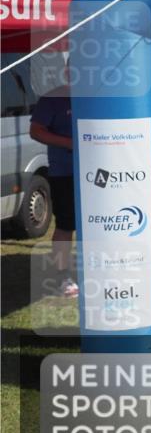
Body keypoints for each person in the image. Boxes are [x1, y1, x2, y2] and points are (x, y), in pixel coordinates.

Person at [30, 83, 77, 297]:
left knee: (102, 221)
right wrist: (69, 142)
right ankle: (63, 277)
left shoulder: (100, 93)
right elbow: (36, 131)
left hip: (100, 171)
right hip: (65, 172)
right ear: (68, 72)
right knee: (66, 224)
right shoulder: (53, 98)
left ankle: (102, 270)